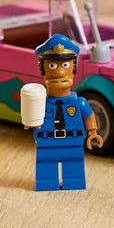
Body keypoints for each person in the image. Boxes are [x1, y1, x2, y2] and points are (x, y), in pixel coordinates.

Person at [31, 35, 104, 191]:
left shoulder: (79, 103)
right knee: (45, 167)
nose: (59, 72)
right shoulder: (39, 102)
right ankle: (46, 182)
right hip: (46, 141)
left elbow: (89, 116)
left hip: (73, 141)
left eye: (65, 65)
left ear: (74, 68)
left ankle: (74, 181)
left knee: (74, 165)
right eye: (52, 66)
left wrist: (92, 133)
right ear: (42, 69)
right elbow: (30, 117)